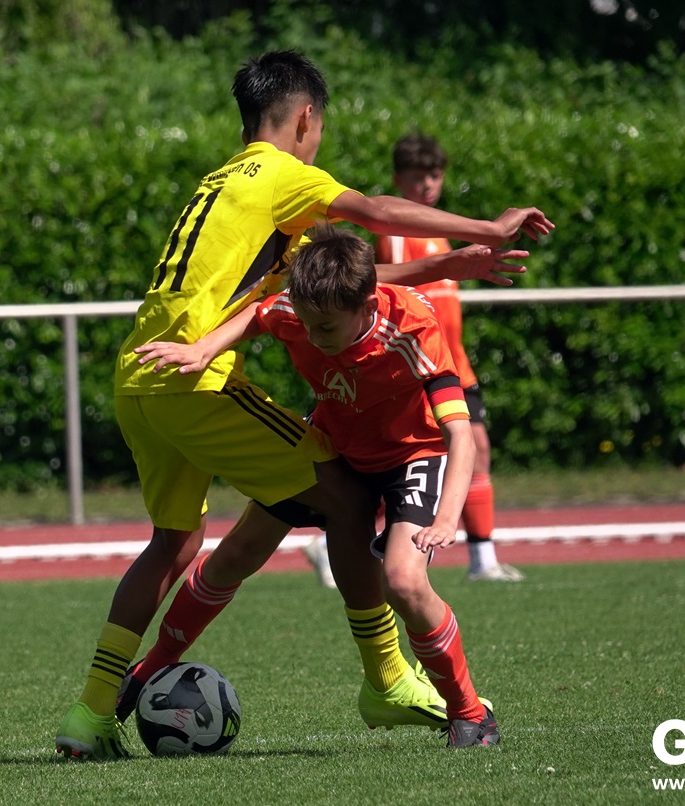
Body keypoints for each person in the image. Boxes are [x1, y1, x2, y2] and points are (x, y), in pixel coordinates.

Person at [54, 50, 552, 759]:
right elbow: (376, 212)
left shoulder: (223, 183)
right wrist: (487, 229)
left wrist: (449, 264)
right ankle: (388, 679)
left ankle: (90, 715)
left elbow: (342, 279)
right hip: (196, 378)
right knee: (345, 497)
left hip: (139, 373)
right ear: (306, 119)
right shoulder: (284, 173)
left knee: (175, 543)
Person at [129, 224, 500, 747]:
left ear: (367, 305)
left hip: (411, 456)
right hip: (336, 445)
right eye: (305, 323)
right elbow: (260, 314)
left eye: (324, 327)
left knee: (403, 581)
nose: (312, 335)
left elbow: (460, 434)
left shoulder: (412, 329)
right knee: (236, 553)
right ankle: (146, 672)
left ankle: (469, 713)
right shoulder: (300, 310)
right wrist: (204, 350)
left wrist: (445, 519)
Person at [376, 134, 525, 583]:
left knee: (476, 450)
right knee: (412, 463)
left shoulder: (438, 235)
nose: (427, 185)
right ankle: (335, 538)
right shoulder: (398, 235)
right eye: (416, 178)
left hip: (456, 365)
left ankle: (483, 559)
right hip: (424, 367)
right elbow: (391, 292)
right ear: (398, 181)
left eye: (434, 176)